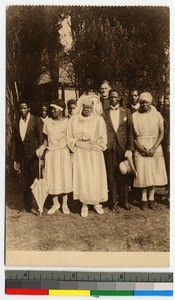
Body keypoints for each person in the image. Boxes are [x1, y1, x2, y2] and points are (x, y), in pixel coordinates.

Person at [67, 94, 108, 218]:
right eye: (85, 107)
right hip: (81, 153)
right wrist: (79, 143)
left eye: (90, 107)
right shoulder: (74, 120)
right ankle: (84, 204)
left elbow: (103, 137)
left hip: (94, 153)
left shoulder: (99, 120)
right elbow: (69, 137)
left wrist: (94, 144)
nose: (88, 110)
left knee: (95, 176)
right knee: (84, 177)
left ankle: (96, 202)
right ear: (82, 107)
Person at [132, 92, 167, 210]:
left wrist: (153, 148)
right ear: (139, 103)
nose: (144, 104)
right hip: (141, 146)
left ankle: (151, 198)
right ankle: (143, 198)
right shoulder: (135, 116)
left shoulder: (157, 115)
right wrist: (140, 148)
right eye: (142, 102)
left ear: (150, 102)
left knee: (153, 172)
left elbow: (162, 133)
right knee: (142, 172)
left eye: (146, 102)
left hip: (154, 146)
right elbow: (132, 136)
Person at [36, 100, 72, 215]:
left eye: (54, 109)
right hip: (51, 153)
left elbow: (71, 139)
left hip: (63, 153)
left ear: (61, 110)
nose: (51, 111)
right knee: (52, 178)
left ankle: (65, 204)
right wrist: (42, 148)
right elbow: (46, 139)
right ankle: (56, 204)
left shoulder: (68, 122)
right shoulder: (47, 122)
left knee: (64, 177)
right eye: (51, 109)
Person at [103, 89, 134, 211]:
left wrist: (130, 149)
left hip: (123, 148)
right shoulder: (104, 113)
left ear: (119, 98)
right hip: (110, 147)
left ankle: (125, 200)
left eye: (115, 97)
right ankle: (113, 201)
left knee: (124, 173)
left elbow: (130, 132)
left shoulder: (126, 112)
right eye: (111, 97)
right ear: (109, 98)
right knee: (111, 174)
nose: (113, 99)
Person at [12, 100, 43, 213]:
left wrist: (41, 155)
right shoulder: (17, 122)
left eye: (25, 108)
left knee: (35, 179)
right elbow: (15, 141)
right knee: (25, 181)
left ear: (29, 108)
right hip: (23, 157)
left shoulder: (36, 120)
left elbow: (41, 139)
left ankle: (37, 204)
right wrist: (14, 159)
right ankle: (26, 205)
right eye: (21, 108)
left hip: (34, 156)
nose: (22, 110)